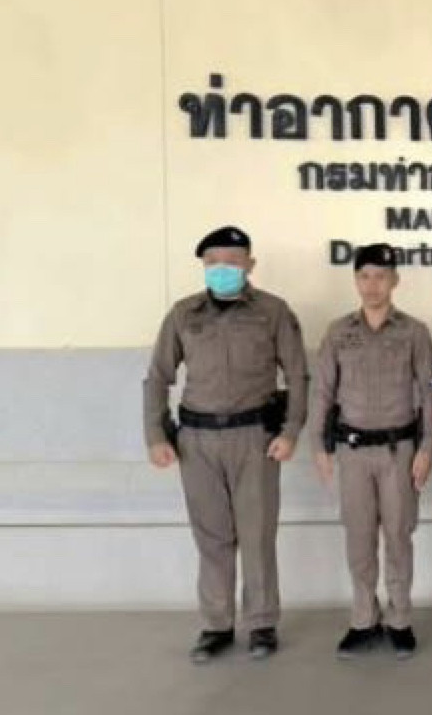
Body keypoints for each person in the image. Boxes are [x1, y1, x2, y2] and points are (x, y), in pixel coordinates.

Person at [143, 225, 309, 663]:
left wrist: (291, 431)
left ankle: (262, 624)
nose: (222, 269)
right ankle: (216, 625)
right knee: (212, 536)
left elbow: (297, 375)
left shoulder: (272, 312)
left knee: (257, 535)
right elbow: (158, 377)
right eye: (213, 262)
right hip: (196, 442)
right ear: (203, 266)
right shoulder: (183, 314)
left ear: (250, 265)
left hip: (255, 438)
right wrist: (156, 436)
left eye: (232, 261)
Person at [309, 243, 432, 660]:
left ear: (394, 280)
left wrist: (427, 449)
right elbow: (322, 391)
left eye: (380, 276)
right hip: (352, 453)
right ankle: (364, 619)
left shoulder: (414, 332)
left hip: (399, 451)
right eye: (364, 276)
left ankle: (400, 620)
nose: (372, 285)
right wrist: (318, 445)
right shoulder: (338, 332)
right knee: (359, 538)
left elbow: (429, 395)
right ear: (356, 280)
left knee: (398, 536)